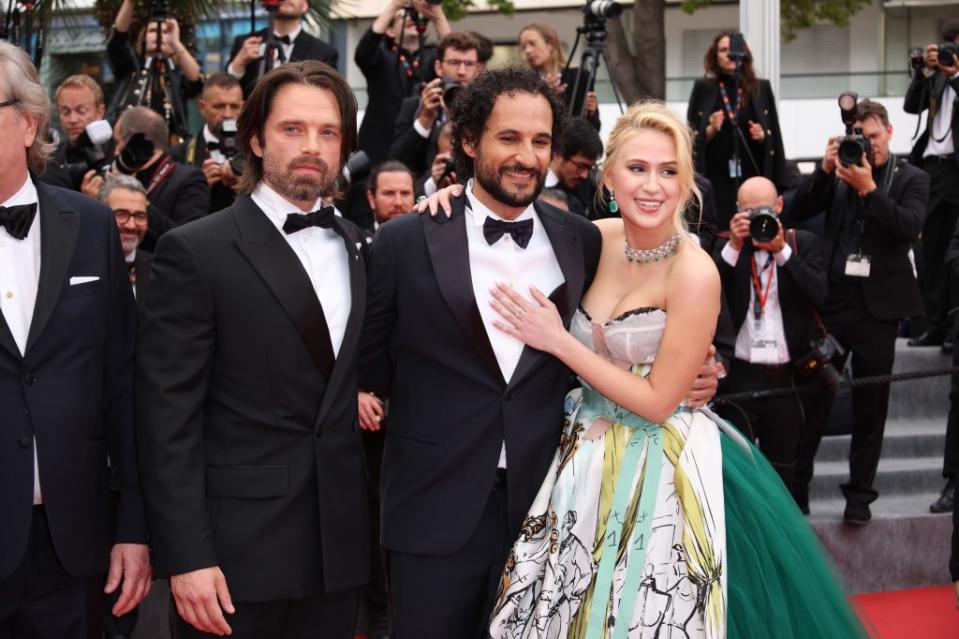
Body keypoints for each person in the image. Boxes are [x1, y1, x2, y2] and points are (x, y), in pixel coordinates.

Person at [481, 100, 865, 638]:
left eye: (669, 172)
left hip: (662, 467)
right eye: (638, 169)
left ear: (686, 184)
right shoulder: (593, 237)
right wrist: (449, 197)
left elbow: (661, 400)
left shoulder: (695, 271)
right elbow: (501, 211)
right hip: (577, 460)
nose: (652, 186)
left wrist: (560, 344)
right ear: (608, 174)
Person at [358, 68, 719, 638]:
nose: (527, 156)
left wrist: (700, 369)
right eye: (509, 138)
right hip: (432, 506)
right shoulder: (407, 240)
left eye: (541, 141)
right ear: (469, 142)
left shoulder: (580, 238)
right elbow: (367, 359)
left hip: (555, 503)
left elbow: (652, 307)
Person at [136, 60, 369, 639]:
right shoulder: (195, 251)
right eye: (293, 129)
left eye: (329, 132)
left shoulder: (364, 248)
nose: (312, 146)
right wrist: (185, 556)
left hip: (339, 555)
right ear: (256, 138)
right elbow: (167, 419)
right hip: (232, 560)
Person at [0, 40, 151, 638]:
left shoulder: (89, 225)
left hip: (76, 545)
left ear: (27, 122)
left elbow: (124, 382)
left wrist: (135, 526)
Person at [785, 99, 928, 523]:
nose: (867, 146)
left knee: (871, 404)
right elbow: (797, 210)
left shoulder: (912, 178)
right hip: (833, 300)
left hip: (880, 308)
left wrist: (868, 188)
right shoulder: (839, 173)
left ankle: (859, 498)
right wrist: (827, 172)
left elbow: (908, 229)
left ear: (889, 132)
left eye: (874, 136)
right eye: (859, 138)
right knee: (814, 396)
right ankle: (798, 492)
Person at [713, 176, 826, 496]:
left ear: (778, 206)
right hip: (741, 375)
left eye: (763, 210)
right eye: (748, 213)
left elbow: (819, 295)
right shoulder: (728, 248)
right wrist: (734, 246)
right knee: (738, 475)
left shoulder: (803, 243)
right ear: (737, 213)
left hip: (787, 378)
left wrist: (782, 252)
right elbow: (707, 294)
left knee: (782, 476)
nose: (757, 219)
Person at [686, 31, 786, 228]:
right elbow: (688, 137)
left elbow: (774, 135)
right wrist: (709, 130)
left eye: (734, 50)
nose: (730, 54)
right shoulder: (704, 87)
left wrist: (762, 137)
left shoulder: (760, 87)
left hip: (752, 174)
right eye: (723, 50)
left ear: (744, 54)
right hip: (716, 177)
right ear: (715, 56)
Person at [904, 18, 959, 350]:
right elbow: (912, 107)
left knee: (956, 254)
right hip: (933, 169)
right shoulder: (938, 75)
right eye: (948, 43)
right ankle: (936, 324)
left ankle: (955, 329)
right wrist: (924, 72)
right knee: (931, 250)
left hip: (956, 169)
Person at [85, 106, 210, 252]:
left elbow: (191, 240)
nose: (115, 151)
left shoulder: (189, 179)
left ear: (135, 143)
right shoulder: (115, 175)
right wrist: (94, 204)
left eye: (118, 142)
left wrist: (138, 203)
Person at [355, 0, 450, 165]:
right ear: (390, 31)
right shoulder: (381, 55)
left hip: (418, 143)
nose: (414, 19)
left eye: (419, 19)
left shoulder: (430, 58)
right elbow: (364, 51)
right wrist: (395, 6)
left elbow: (452, 51)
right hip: (379, 144)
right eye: (405, 17)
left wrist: (437, 15)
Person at [106, 0, 203, 140]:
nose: (159, 35)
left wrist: (175, 42)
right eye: (152, 30)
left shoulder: (174, 75)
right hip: (129, 143)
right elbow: (117, 41)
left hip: (169, 149)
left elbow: (196, 80)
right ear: (142, 38)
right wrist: (129, 3)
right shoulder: (130, 68)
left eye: (166, 32)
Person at [389, 31, 483, 176]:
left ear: (478, 70)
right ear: (438, 67)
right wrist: (425, 118)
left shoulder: (486, 108)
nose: (462, 71)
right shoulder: (415, 106)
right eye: (454, 62)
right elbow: (397, 162)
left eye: (469, 64)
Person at [168, 72, 245, 213]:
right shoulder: (178, 155)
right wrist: (196, 187)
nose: (227, 114)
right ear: (202, 107)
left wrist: (246, 186)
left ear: (243, 107)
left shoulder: (258, 153)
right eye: (219, 106)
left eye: (234, 107)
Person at [227, 0, 338, 98]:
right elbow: (224, 88)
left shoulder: (323, 52)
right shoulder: (245, 44)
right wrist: (238, 64)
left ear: (304, 5)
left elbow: (327, 96)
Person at [41, 74, 114, 192]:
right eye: (65, 112)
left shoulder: (117, 154)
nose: (72, 119)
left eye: (81, 111)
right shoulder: (50, 162)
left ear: (100, 112)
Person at [518, 23, 599, 129]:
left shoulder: (580, 76)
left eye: (532, 44)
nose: (527, 51)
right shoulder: (525, 81)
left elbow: (595, 127)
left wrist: (591, 112)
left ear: (550, 44)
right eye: (524, 47)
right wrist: (545, 93)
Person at [101, 174, 152, 307]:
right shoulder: (75, 263)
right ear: (100, 215)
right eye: (121, 214)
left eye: (140, 216)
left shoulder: (160, 271)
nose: (131, 225)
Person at [544, 116, 603, 219]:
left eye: (590, 168)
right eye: (580, 166)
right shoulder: (531, 185)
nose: (584, 175)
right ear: (558, 154)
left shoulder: (587, 191)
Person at [367, 160, 416, 227]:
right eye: (389, 194)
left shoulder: (429, 236)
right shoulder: (356, 237)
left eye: (405, 193)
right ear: (372, 199)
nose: (398, 203)